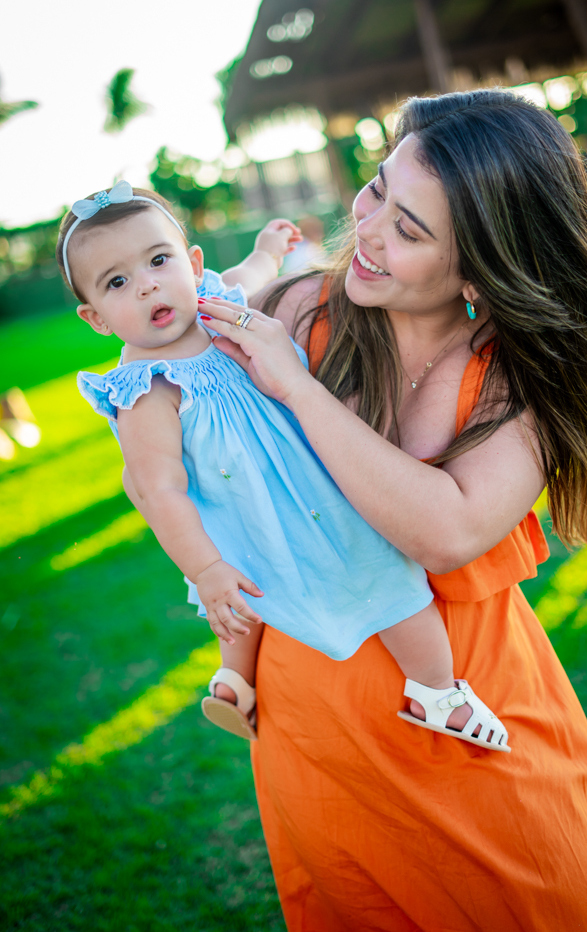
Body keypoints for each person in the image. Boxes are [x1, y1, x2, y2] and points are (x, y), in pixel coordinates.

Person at [197, 90, 587, 931]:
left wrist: (298, 393)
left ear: (483, 268)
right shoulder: (298, 310)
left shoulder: (524, 381)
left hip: (473, 728)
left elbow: (445, 530)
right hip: (316, 735)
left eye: (409, 230)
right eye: (377, 188)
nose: (367, 231)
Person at [59, 183, 510, 752]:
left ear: (192, 265)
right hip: (250, 517)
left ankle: (421, 690)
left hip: (315, 488)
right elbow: (158, 490)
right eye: (117, 282)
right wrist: (204, 569)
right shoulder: (146, 390)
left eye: (158, 260)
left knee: (383, 581)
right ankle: (425, 692)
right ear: (96, 319)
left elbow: (250, 272)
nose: (147, 282)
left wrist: (270, 247)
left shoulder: (215, 305)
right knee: (242, 592)